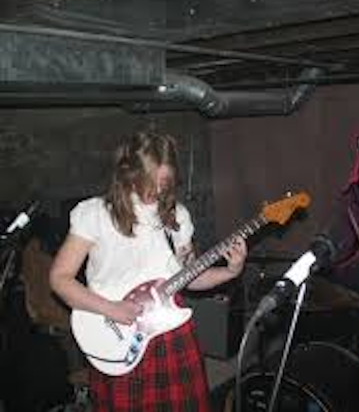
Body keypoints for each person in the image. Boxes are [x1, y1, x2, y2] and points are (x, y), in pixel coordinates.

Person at [49, 129, 248, 411]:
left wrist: (231, 271)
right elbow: (59, 279)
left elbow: (190, 277)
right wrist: (110, 309)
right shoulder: (95, 214)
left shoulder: (177, 216)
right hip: (117, 332)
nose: (156, 190)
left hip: (170, 332)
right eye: (149, 181)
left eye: (164, 182)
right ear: (128, 174)